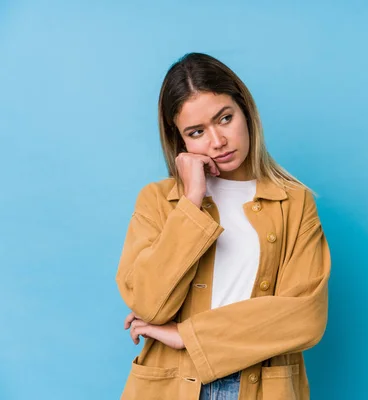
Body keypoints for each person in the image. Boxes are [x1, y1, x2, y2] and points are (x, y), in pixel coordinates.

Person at [115, 52, 331, 400]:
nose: (217, 141)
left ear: (245, 111)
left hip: (262, 387)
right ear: (180, 140)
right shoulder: (158, 201)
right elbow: (149, 305)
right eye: (197, 131)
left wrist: (188, 336)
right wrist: (191, 201)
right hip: (172, 385)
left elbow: (306, 316)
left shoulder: (294, 202)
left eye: (225, 118)